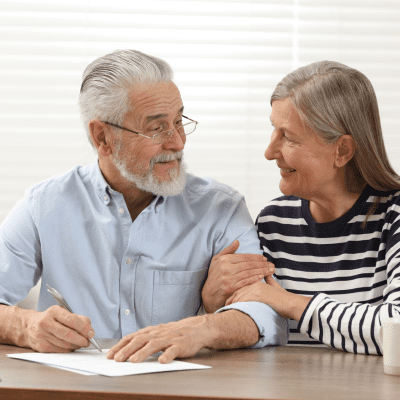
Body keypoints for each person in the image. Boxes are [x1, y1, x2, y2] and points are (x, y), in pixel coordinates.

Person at [0, 50, 287, 363]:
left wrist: (204, 328)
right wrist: (23, 325)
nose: (177, 142)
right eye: (157, 128)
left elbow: (264, 312)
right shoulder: (44, 205)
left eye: (179, 121)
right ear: (102, 137)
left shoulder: (221, 208)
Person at [224, 60, 400, 355]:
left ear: (342, 150)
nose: (269, 152)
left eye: (288, 137)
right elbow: (256, 321)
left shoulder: (393, 217)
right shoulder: (273, 222)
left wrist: (290, 302)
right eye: (273, 130)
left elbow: (397, 329)